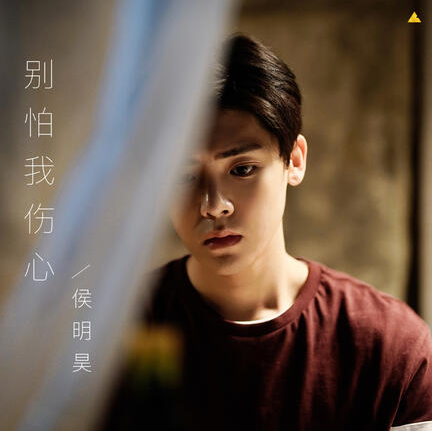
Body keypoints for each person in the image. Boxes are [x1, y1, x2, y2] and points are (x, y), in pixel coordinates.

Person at [101, 34, 432, 431]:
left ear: (294, 160)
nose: (213, 204)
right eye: (184, 176)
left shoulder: (390, 347)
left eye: (242, 169)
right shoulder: (115, 333)